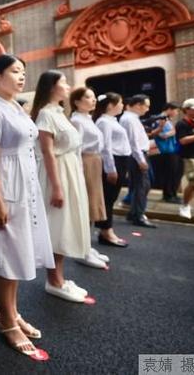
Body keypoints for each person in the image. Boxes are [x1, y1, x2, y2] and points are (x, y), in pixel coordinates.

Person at [0, 54, 53, 358]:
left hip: (26, 185)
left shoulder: (16, 107)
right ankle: (6, 320)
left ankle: (12, 312)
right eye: (14, 71)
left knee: (17, 255)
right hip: (7, 186)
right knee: (3, 257)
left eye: (23, 72)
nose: (21, 77)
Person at [31, 71, 91, 303]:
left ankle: (59, 277)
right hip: (58, 175)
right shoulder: (46, 115)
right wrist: (57, 187)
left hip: (69, 172)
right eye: (63, 82)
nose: (67, 86)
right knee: (58, 227)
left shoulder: (59, 113)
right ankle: (53, 280)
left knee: (65, 226)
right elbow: (47, 153)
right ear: (51, 87)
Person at [69, 87, 110, 269]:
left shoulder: (88, 119)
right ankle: (83, 250)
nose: (93, 101)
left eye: (94, 97)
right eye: (88, 97)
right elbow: (76, 148)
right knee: (87, 205)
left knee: (94, 205)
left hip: (94, 161)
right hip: (85, 162)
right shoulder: (77, 120)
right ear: (77, 101)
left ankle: (88, 246)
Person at [93, 92, 131, 247]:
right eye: (120, 102)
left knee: (112, 197)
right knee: (108, 197)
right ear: (110, 105)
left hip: (121, 160)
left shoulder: (111, 121)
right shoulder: (104, 122)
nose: (122, 105)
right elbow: (106, 147)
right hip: (113, 161)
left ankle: (107, 230)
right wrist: (111, 169)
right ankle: (106, 231)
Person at [119, 94, 156, 228]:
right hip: (137, 156)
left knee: (139, 185)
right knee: (142, 185)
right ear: (138, 105)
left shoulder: (132, 118)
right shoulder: (129, 119)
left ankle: (134, 212)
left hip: (139, 154)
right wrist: (141, 160)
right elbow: (133, 142)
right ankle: (138, 215)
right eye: (146, 106)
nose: (147, 109)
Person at [153, 102, 182, 203]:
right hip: (166, 150)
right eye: (176, 110)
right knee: (169, 173)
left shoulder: (168, 120)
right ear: (169, 109)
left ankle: (173, 194)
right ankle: (168, 195)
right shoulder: (160, 118)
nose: (177, 113)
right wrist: (173, 132)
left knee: (173, 173)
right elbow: (160, 134)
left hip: (172, 150)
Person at [176, 98, 194, 219]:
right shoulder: (182, 124)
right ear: (187, 110)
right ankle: (185, 205)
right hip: (190, 156)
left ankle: (190, 205)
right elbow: (182, 140)